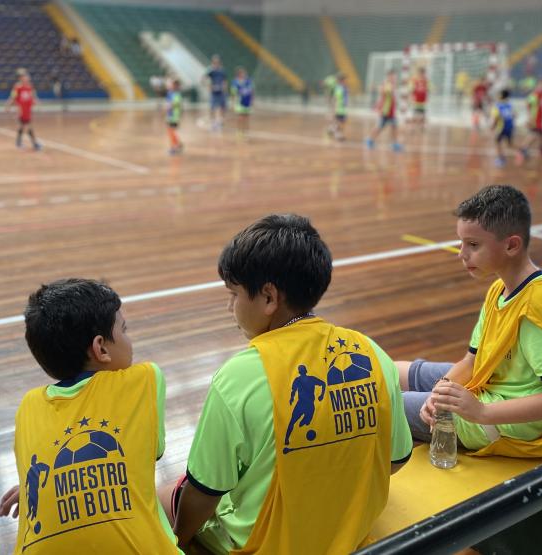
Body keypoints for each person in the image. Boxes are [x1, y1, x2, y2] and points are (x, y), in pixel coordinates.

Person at [164, 214, 413, 554]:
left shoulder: (239, 376)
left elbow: (204, 492)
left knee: (167, 496)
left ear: (268, 297)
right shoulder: (372, 353)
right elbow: (395, 460)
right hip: (352, 533)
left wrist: (179, 539)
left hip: (266, 545)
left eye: (234, 294)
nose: (229, 307)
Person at [398, 185, 542, 459]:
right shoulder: (499, 289)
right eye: (461, 243)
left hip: (507, 421)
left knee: (383, 405)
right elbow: (472, 362)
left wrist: (481, 412)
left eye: (473, 245)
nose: (462, 253)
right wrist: (440, 392)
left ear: (511, 245)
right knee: (394, 372)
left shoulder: (538, 305)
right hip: (490, 386)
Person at [0, 279, 181, 554]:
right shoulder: (145, 380)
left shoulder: (28, 406)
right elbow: (146, 454)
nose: (129, 340)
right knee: (176, 494)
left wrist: (50, 487)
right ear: (101, 349)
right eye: (124, 330)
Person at [366, 71, 402, 152]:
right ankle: (370, 140)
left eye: (395, 77)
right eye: (392, 77)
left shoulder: (392, 86)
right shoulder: (387, 85)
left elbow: (393, 97)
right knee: (379, 127)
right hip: (385, 111)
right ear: (389, 77)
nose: (394, 78)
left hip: (391, 111)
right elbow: (383, 91)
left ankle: (395, 144)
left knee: (394, 127)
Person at [5, 70, 41, 151]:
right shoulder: (18, 87)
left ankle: (19, 142)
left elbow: (33, 96)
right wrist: (8, 105)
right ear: (21, 78)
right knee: (27, 126)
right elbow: (13, 97)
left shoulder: (30, 86)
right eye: (25, 77)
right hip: (21, 110)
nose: (27, 78)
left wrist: (37, 102)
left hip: (28, 110)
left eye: (27, 77)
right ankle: (34, 144)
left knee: (22, 126)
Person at [518, 77, 542, 161]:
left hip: (539, 119)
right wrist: (529, 118)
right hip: (535, 120)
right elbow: (528, 103)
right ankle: (522, 149)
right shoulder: (535, 95)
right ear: (539, 85)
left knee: (541, 135)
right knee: (533, 135)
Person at [490, 89, 515, 167]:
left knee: (497, 142)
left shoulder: (497, 106)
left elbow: (495, 118)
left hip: (501, 127)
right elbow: (515, 115)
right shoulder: (510, 105)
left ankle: (501, 159)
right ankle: (521, 151)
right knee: (509, 144)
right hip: (510, 127)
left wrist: (492, 127)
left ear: (500, 96)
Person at [204, 55, 227, 131]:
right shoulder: (210, 70)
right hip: (214, 93)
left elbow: (224, 81)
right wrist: (209, 87)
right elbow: (203, 79)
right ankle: (213, 123)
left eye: (217, 62)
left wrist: (224, 88)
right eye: (214, 62)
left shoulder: (222, 70)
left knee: (222, 107)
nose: (216, 63)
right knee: (212, 108)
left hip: (221, 92)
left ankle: (221, 122)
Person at [229, 67, 254, 137]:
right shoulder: (235, 82)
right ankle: (239, 131)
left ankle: (246, 131)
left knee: (247, 117)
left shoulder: (248, 81)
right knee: (240, 117)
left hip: (247, 102)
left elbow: (251, 91)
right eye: (242, 73)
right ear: (239, 74)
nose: (244, 74)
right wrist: (233, 103)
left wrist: (252, 100)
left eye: (244, 73)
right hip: (239, 102)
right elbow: (233, 93)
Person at [165, 78, 183, 155]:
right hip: (170, 115)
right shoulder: (170, 93)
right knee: (170, 131)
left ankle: (175, 146)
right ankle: (177, 144)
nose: (169, 85)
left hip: (174, 115)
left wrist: (169, 106)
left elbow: (175, 104)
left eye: (171, 84)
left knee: (171, 131)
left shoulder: (176, 94)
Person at [328, 73, 348, 141]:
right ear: (341, 80)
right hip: (339, 108)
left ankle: (332, 129)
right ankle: (338, 135)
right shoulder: (338, 88)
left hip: (343, 108)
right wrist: (333, 108)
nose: (346, 81)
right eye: (345, 79)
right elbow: (335, 98)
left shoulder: (344, 87)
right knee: (340, 122)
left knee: (342, 122)